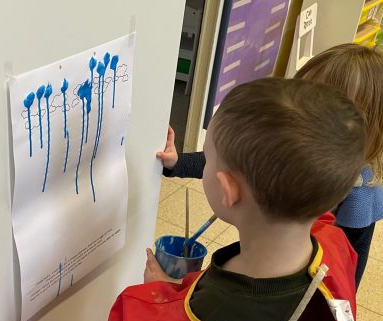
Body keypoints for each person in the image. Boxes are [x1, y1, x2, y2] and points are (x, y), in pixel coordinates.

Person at [96, 78, 364, 321]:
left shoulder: (210, 319)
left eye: (207, 158)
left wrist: (160, 300)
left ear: (227, 191)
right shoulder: (336, 245)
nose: (205, 163)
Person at [158, 44, 383, 289]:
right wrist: (178, 163)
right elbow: (231, 160)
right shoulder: (291, 142)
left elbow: (350, 267)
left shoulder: (362, 193)